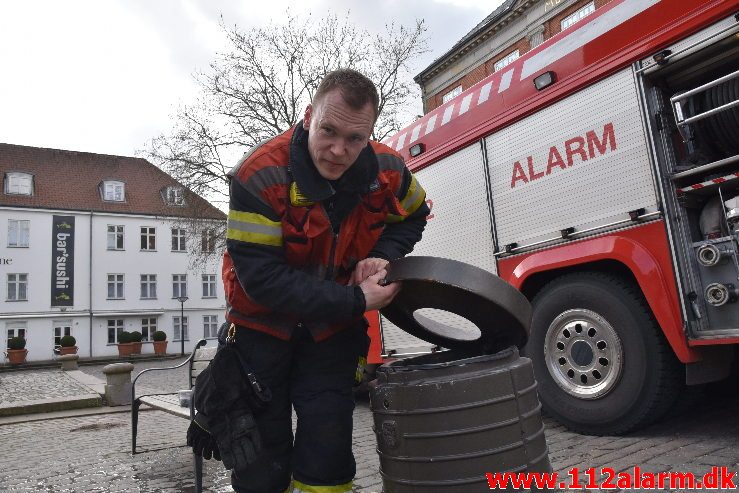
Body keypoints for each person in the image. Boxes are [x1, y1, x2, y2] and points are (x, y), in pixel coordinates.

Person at [204, 68, 429, 493]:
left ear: (371, 135)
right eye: (328, 130)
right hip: (261, 332)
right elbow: (264, 280)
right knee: (260, 466)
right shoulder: (259, 176)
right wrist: (357, 299)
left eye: (355, 139)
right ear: (308, 116)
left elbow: (414, 215)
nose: (338, 150)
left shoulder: (388, 172)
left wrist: (381, 255)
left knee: (327, 460)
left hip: (331, 335)